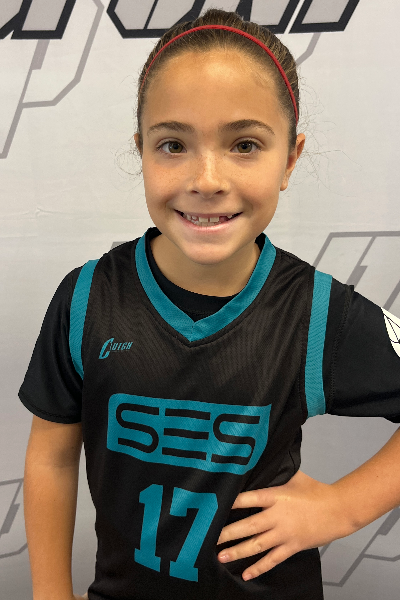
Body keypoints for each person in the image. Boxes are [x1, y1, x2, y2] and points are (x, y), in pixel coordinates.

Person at [19, 8, 400, 600]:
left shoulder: (318, 313)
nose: (207, 179)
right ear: (141, 151)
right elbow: (51, 457)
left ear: (289, 159)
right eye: (173, 144)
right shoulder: (87, 298)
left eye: (244, 145)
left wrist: (343, 507)